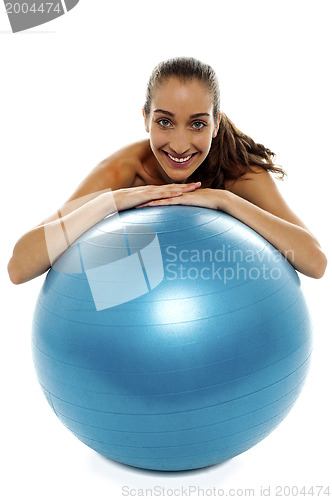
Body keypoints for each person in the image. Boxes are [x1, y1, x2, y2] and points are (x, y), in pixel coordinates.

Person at [7, 57, 327, 284]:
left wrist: (224, 201)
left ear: (216, 124)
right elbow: (19, 267)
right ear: (145, 117)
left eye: (197, 124)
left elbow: (315, 262)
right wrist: (111, 202)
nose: (179, 144)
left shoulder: (238, 170)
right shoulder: (122, 170)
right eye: (164, 122)